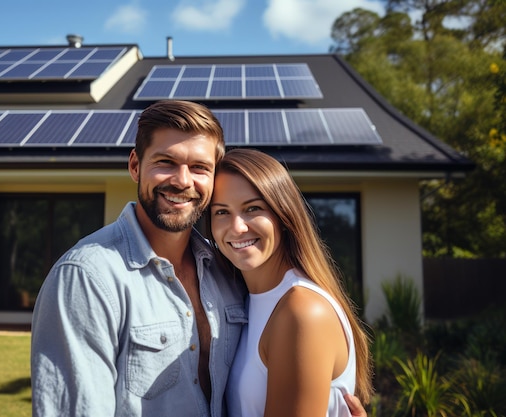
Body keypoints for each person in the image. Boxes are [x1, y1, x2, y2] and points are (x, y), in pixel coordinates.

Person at [31, 100, 369, 417]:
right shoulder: (88, 278)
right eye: (165, 162)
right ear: (135, 165)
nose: (182, 181)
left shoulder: (228, 273)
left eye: (199, 167)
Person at [209, 148, 374, 417]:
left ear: (283, 216)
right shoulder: (244, 299)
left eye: (253, 208)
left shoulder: (302, 311)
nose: (237, 227)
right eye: (221, 212)